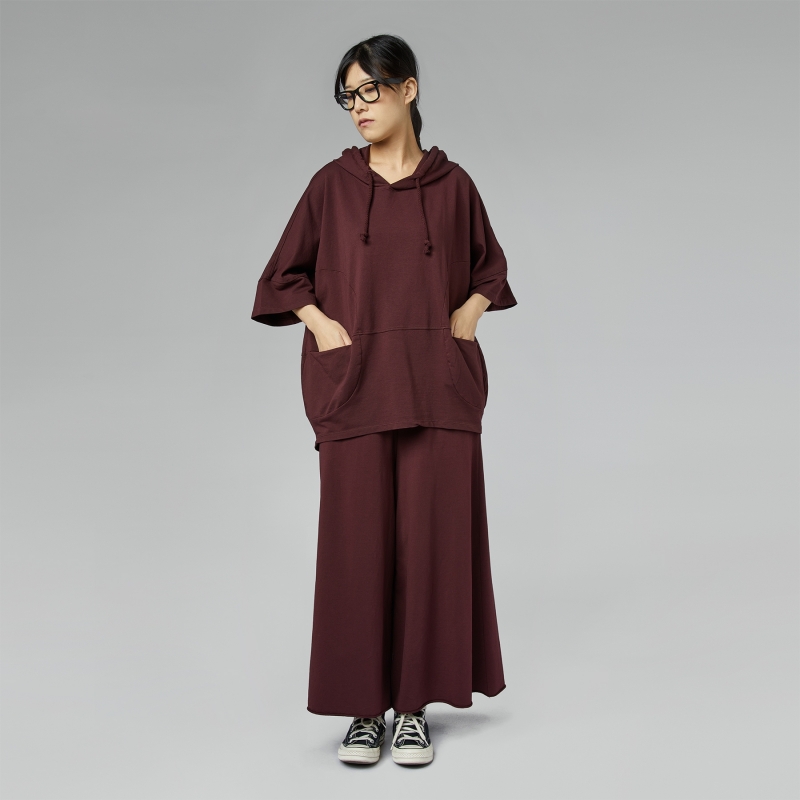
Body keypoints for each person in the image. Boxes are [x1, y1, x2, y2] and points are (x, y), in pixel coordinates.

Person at [250, 34, 518, 767]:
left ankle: (413, 710)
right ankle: (364, 710)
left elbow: (490, 268)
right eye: (349, 96)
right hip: (355, 383)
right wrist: (323, 325)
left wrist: (468, 315)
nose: (359, 107)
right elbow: (282, 277)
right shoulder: (331, 187)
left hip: (437, 383)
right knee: (355, 549)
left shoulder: (454, 186)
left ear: (409, 89)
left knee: (431, 550)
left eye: (370, 90)